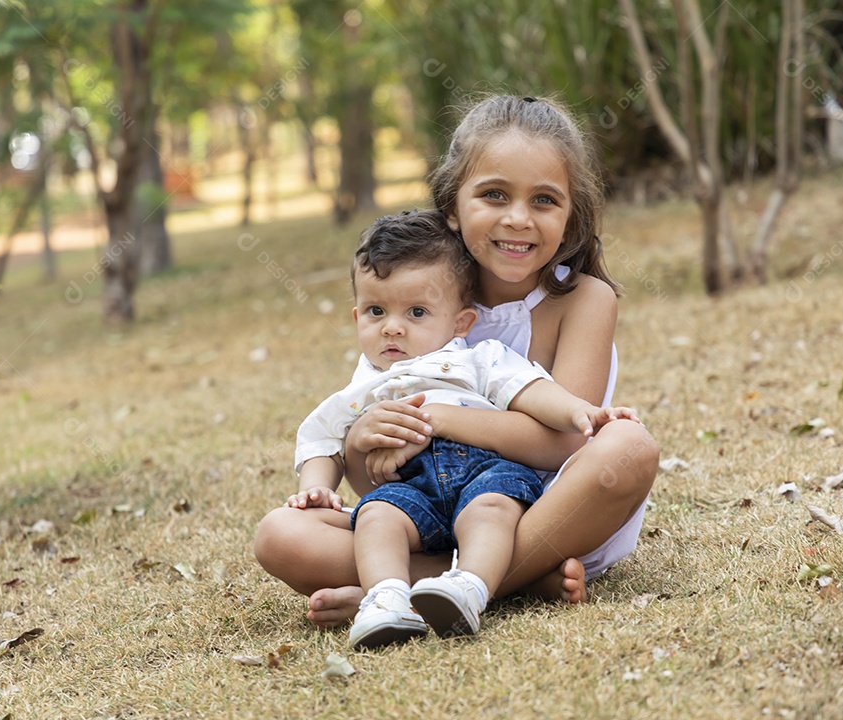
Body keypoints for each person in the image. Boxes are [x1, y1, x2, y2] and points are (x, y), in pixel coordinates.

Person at [254, 94, 659, 629]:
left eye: (544, 200)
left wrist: (438, 419)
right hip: (429, 515)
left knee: (628, 449)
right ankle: (491, 585)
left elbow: (564, 443)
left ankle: (404, 592)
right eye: (494, 194)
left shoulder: (583, 300)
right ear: (451, 205)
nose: (518, 219)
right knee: (280, 535)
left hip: (550, 514)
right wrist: (360, 440)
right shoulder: (415, 304)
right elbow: (372, 480)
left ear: (570, 216)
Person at [289, 210, 640, 649]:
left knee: (491, 511)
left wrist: (580, 413)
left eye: (417, 312)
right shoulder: (366, 385)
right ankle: (386, 598)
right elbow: (320, 435)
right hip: (411, 492)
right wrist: (318, 486)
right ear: (357, 316)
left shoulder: (477, 358)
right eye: (377, 312)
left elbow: (529, 390)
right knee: (375, 517)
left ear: (460, 323)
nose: (392, 326)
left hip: (485, 474)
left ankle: (470, 586)